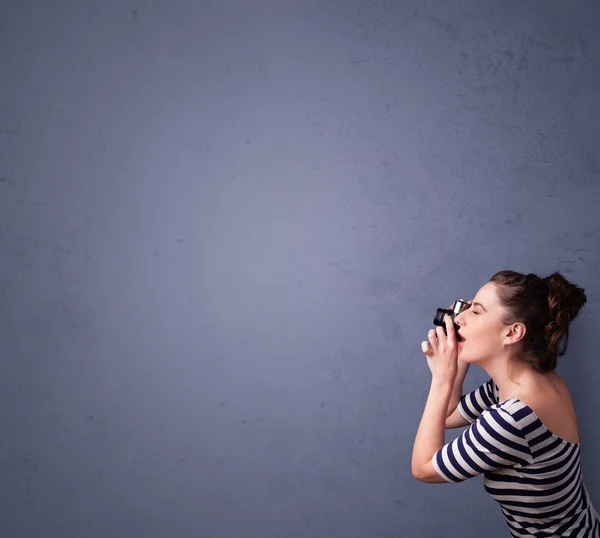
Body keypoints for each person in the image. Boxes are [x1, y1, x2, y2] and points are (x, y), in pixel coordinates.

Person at [411, 270, 600, 537]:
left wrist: (442, 380)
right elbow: (447, 414)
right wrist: (458, 360)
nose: (459, 318)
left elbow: (423, 468)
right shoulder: (525, 383)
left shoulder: (513, 418)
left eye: (476, 312)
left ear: (512, 332)